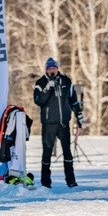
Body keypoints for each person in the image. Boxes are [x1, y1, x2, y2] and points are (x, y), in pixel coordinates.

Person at [33, 57, 83, 189]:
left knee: (67, 152)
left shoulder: (66, 81)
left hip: (63, 123)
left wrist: (79, 115)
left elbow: (73, 100)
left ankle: (71, 180)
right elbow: (39, 101)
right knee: (47, 153)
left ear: (57, 68)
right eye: (49, 68)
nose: (51, 70)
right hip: (49, 124)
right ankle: (45, 182)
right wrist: (47, 88)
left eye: (53, 68)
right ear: (46, 70)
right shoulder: (41, 82)